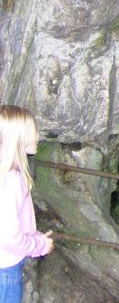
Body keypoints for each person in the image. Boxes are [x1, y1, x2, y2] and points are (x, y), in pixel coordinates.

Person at [0, 105, 54, 302]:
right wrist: (38, 245)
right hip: (5, 270)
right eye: (34, 131)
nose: (39, 134)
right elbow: (8, 237)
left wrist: (34, 236)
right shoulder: (10, 181)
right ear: (18, 138)